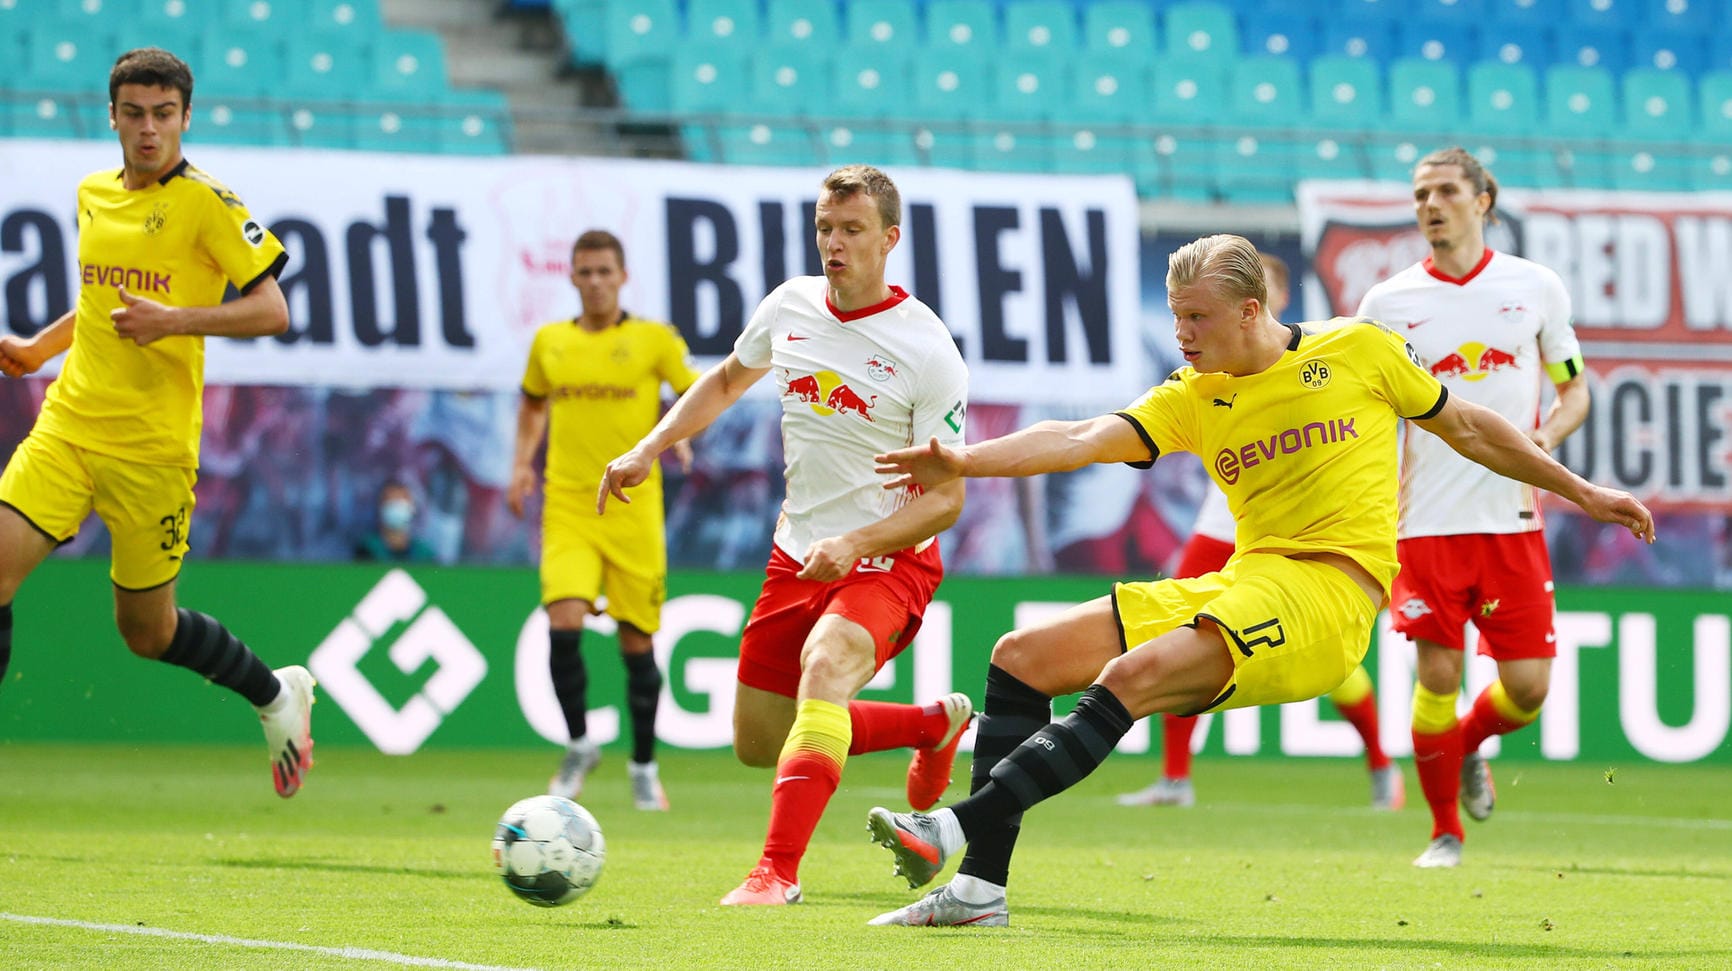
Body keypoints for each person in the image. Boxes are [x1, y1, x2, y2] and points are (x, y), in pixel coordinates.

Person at [862, 233, 1653, 927]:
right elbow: (1081, 435)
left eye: (1197, 317)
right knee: (1020, 654)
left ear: (1251, 308)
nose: (1181, 335)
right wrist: (965, 459)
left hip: (1330, 594)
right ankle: (977, 889)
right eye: (1175, 317)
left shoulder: (1360, 351)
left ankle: (954, 827)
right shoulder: (1196, 395)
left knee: (1130, 675)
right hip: (1249, 581)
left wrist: (1582, 491)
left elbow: (1472, 425)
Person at [598, 165, 975, 906]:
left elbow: (948, 500)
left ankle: (776, 872)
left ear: (890, 239)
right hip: (797, 551)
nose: (834, 244)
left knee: (827, 664)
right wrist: (648, 446)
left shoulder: (927, 349)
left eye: (852, 231)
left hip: (888, 558)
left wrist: (861, 540)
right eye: (825, 229)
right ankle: (929, 724)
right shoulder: (790, 306)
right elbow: (726, 380)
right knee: (759, 743)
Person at [0, 48, 315, 796]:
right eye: (135, 114)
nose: (149, 130)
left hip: (152, 452)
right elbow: (103, 297)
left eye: (164, 115)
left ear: (185, 117)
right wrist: (39, 346)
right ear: (112, 116)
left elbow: (273, 309)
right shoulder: (92, 193)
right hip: (70, 426)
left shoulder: (207, 203)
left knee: (147, 632)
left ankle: (274, 693)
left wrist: (177, 319)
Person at [1355, 147, 1591, 869]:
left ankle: (1467, 744)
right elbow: (1366, 415)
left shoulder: (1536, 287)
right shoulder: (1385, 306)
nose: (1431, 204)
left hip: (1512, 519)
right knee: (1437, 676)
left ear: (1483, 199)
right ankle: (1443, 831)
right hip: (1423, 522)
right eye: (1421, 192)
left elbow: (1575, 386)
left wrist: (1546, 436)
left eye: (1447, 190)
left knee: (1527, 689)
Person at [1119, 251, 1402, 812]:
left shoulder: (1321, 360)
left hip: (1294, 538)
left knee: (1333, 670)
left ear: (1266, 306)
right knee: (1175, 637)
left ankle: (1379, 763)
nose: (1191, 330)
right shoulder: (1204, 373)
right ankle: (1175, 778)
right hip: (1218, 524)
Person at [507, 229, 701, 812]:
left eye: (604, 272)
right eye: (584, 272)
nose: (594, 282)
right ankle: (580, 744)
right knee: (562, 620)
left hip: (633, 508)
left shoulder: (653, 340)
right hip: (568, 503)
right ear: (571, 277)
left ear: (622, 277)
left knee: (636, 644)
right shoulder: (549, 343)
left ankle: (643, 766)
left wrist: (679, 437)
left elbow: (697, 393)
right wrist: (520, 465)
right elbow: (533, 403)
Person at [353, 479, 438, 563]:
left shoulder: (424, 554)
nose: (397, 506)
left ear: (412, 507)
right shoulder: (366, 550)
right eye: (391, 500)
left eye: (401, 501)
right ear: (379, 507)